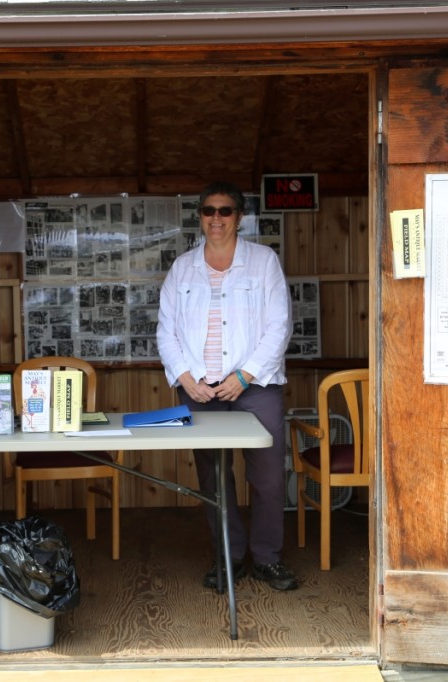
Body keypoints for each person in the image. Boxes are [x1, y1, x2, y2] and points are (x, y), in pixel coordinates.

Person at [157, 181, 296, 591]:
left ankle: (268, 558)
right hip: (200, 389)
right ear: (199, 216)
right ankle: (230, 557)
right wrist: (186, 378)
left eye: (225, 211)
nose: (216, 218)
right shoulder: (182, 268)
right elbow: (166, 331)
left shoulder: (263, 261)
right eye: (208, 210)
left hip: (256, 386)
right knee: (214, 478)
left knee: (269, 477)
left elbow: (279, 326)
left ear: (239, 217)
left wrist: (244, 375)